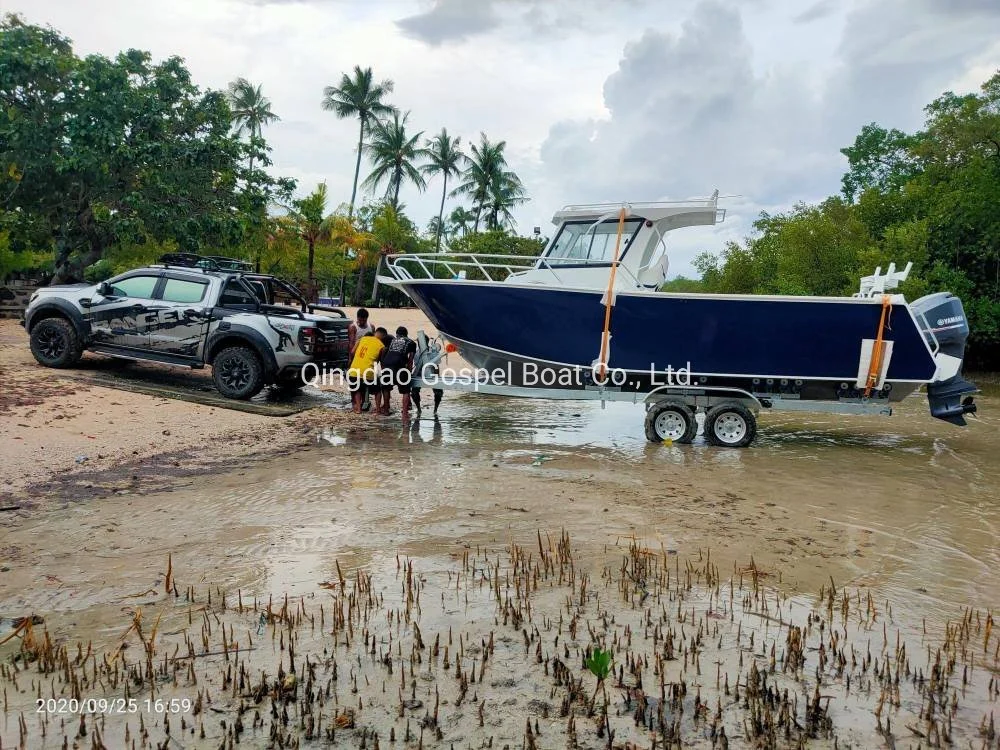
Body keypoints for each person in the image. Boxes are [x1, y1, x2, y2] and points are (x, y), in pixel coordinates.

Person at [379, 326, 418, 419]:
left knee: (386, 388)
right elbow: (410, 359)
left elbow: (385, 351)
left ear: (397, 334)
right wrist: (408, 371)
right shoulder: (411, 342)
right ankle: (404, 413)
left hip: (387, 364)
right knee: (406, 390)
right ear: (406, 334)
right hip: (400, 365)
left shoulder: (392, 340)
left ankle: (386, 410)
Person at [347, 328, 386, 414]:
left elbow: (352, 352)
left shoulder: (362, 339)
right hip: (368, 372)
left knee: (357, 389)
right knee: (377, 390)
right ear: (383, 337)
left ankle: (358, 409)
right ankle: (378, 410)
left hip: (354, 371)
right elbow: (380, 361)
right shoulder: (381, 346)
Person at [348, 309, 375, 410]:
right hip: (356, 356)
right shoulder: (353, 327)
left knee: (364, 380)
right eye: (360, 320)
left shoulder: (371, 327)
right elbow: (351, 344)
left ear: (366, 319)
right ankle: (354, 400)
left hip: (367, 357)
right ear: (357, 318)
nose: (362, 322)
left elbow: (374, 341)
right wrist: (350, 359)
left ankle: (364, 400)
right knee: (354, 380)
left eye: (364, 320)